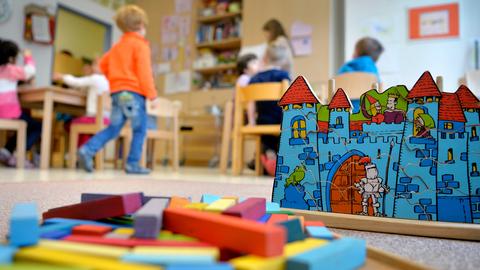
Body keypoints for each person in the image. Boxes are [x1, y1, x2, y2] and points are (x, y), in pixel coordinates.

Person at [77, 5, 158, 174]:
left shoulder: (117, 46)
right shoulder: (140, 45)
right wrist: (152, 95)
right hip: (134, 94)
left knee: (114, 128)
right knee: (140, 129)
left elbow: (102, 64)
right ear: (142, 24)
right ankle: (132, 164)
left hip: (117, 93)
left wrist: (116, 80)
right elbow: (145, 72)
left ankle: (87, 150)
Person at [249, 44, 291, 175]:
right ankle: (278, 159)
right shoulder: (284, 76)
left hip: (262, 120)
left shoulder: (255, 78)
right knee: (283, 137)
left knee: (266, 138)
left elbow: (251, 103)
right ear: (284, 60)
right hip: (280, 120)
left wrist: (251, 121)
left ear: (265, 58)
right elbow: (289, 100)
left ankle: (267, 154)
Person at [0, 39, 41, 168]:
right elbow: (30, 71)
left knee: (24, 123)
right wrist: (28, 56)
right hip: (7, 112)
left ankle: (7, 151)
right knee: (36, 126)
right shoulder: (10, 69)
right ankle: (19, 155)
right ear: (11, 58)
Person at [54, 58, 110, 147]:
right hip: (107, 120)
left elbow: (76, 82)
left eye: (94, 65)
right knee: (84, 126)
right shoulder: (108, 81)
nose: (92, 67)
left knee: (71, 124)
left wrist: (62, 76)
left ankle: (81, 151)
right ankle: (84, 151)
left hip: (94, 118)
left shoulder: (95, 78)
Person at [236, 53, 260, 125]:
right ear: (245, 69)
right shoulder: (244, 78)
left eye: (258, 62)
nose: (258, 65)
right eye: (254, 63)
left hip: (248, 108)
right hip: (245, 109)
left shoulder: (253, 79)